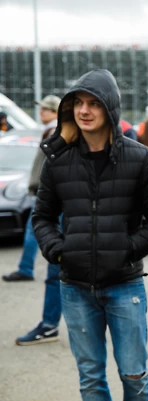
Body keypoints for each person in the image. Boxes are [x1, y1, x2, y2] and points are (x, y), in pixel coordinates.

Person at [32, 69, 148, 401]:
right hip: (74, 287)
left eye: (94, 103)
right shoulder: (58, 160)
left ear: (110, 108)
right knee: (90, 377)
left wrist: (128, 249)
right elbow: (42, 217)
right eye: (77, 103)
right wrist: (58, 250)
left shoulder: (141, 158)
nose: (84, 111)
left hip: (125, 286)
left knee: (134, 375)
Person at [9, 95, 64, 345]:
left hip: (52, 201)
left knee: (57, 269)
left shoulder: (57, 133)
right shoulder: (52, 132)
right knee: (58, 268)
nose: (40, 113)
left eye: (44, 109)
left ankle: (51, 324)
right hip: (49, 199)